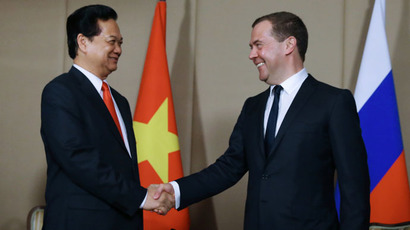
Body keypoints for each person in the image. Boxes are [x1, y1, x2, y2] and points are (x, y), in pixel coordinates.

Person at [154, 11, 370, 229]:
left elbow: (354, 185)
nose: (252, 55)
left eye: (259, 45)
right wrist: (176, 191)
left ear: (289, 45)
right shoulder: (252, 107)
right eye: (251, 47)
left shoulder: (333, 102)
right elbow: (228, 167)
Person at [40, 5, 174, 230]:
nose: (119, 50)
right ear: (83, 42)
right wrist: (141, 197)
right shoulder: (60, 91)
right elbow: (77, 158)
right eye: (112, 41)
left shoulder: (119, 101)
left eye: (120, 43)